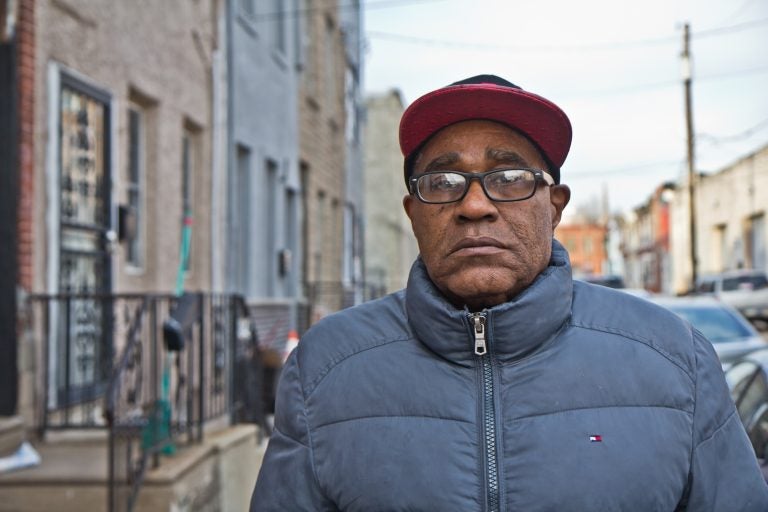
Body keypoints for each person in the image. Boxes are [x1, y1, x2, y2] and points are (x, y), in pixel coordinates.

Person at [251, 75, 768, 511]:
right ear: (413, 214)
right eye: (444, 181)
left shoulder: (675, 359)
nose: (474, 205)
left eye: (511, 176)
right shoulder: (325, 368)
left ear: (555, 206)